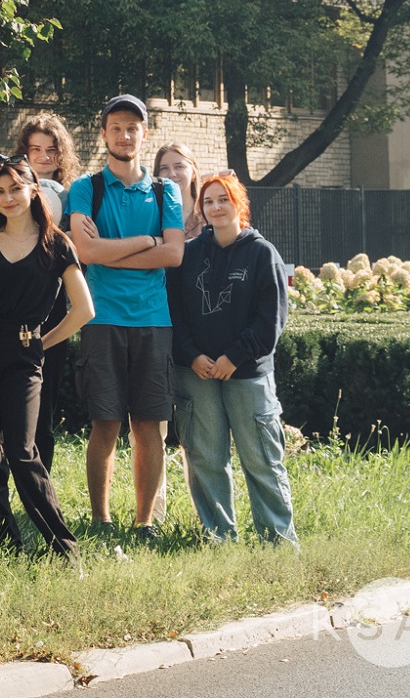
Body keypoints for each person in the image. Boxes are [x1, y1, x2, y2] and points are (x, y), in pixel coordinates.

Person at [0, 157, 95, 556]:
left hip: (24, 354)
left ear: (34, 190)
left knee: (22, 451)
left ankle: (64, 547)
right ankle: (6, 542)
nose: (7, 198)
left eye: (16, 188)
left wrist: (39, 343)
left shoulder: (57, 244)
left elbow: (84, 310)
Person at [64, 95, 185, 540]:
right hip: (102, 318)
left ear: (144, 134)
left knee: (149, 424)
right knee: (105, 422)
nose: (124, 135)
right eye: (116, 127)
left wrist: (111, 251)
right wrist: (148, 241)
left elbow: (174, 254)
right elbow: (86, 251)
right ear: (104, 133)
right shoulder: (86, 188)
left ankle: (144, 522)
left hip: (153, 320)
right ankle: (101, 520)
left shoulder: (165, 191)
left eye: (132, 127)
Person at [171, 172, 296, 544]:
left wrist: (234, 357)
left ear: (238, 204)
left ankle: (278, 540)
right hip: (197, 373)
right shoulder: (189, 255)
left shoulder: (262, 253)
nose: (216, 207)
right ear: (201, 210)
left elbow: (271, 319)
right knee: (206, 459)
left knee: (261, 460)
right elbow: (173, 312)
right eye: (208, 201)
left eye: (223, 199)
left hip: (247, 375)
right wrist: (192, 356)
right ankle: (219, 538)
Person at [15, 110, 82, 467]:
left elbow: (80, 247)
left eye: (51, 150)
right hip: (12, 304)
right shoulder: (9, 191)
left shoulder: (74, 197)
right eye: (35, 149)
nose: (43, 157)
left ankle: (41, 482)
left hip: (54, 309)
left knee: (45, 398)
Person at [154, 142, 205, 241]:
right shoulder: (153, 215)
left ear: (193, 173)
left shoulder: (208, 213)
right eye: (164, 168)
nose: (172, 174)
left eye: (179, 166)